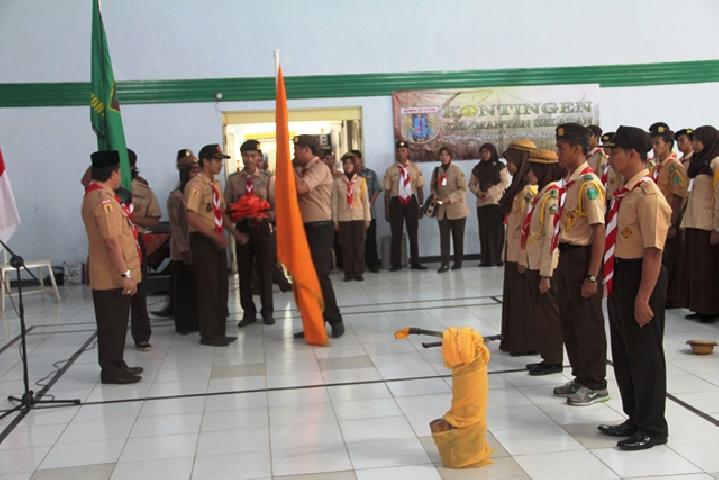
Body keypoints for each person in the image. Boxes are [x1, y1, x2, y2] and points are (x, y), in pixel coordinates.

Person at [597, 126, 671, 450]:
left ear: (633, 154)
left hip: (642, 276)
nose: (610, 157)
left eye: (615, 152)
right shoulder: (625, 191)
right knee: (625, 352)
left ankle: (653, 427)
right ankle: (635, 417)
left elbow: (653, 252)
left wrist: (643, 297)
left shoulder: (648, 195)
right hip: (621, 274)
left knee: (645, 354)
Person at [553, 123, 608, 406]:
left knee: (587, 323)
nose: (558, 153)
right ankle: (580, 376)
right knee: (570, 321)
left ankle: (596, 383)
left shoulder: (589, 183)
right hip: (567, 256)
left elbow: (599, 230)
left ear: (577, 149)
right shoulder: (570, 182)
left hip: (583, 258)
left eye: (561, 148)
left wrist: (592, 276)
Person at [82, 150, 143, 384]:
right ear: (114, 173)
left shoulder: (100, 195)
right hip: (111, 275)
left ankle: (117, 363)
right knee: (111, 324)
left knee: (117, 323)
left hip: (113, 272)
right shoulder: (103, 200)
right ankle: (111, 369)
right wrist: (125, 273)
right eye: (119, 171)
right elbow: (111, 241)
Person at [185, 144, 247, 346]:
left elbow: (220, 213)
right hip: (204, 240)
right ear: (205, 162)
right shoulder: (195, 185)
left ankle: (219, 331)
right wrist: (214, 237)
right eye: (217, 160)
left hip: (217, 238)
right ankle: (209, 334)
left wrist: (234, 233)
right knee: (208, 288)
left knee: (220, 287)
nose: (220, 164)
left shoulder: (216, 185)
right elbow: (191, 217)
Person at [293, 135, 345, 339]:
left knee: (320, 275)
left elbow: (301, 188)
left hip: (320, 228)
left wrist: (288, 170)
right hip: (306, 228)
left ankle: (335, 319)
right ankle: (314, 322)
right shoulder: (305, 170)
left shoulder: (319, 168)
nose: (294, 154)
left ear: (306, 150)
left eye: (296, 150)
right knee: (307, 277)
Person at [519, 148, 565, 376]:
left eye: (532, 170)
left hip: (545, 267)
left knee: (549, 314)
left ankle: (554, 360)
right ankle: (547, 356)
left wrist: (546, 274)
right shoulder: (543, 194)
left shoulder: (552, 196)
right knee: (541, 313)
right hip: (535, 262)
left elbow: (551, 237)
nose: (529, 174)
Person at [225, 139, 276, 326]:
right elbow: (226, 208)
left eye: (253, 155)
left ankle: (267, 311)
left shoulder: (267, 178)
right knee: (244, 272)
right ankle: (248, 312)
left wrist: (264, 214)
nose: (249, 159)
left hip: (262, 228)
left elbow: (275, 206)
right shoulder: (233, 180)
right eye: (246, 155)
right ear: (241, 156)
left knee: (265, 271)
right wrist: (235, 223)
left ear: (259, 157)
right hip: (243, 229)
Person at [497, 139, 539, 356]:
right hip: (512, 252)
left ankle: (526, 343)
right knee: (514, 299)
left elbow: (528, 227)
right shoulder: (517, 186)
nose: (508, 167)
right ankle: (513, 340)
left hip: (522, 255)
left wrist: (524, 257)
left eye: (511, 162)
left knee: (524, 301)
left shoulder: (529, 189)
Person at [678, 125, 719, 321]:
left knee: (707, 269)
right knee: (695, 267)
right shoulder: (697, 163)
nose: (694, 144)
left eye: (697, 140)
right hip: (693, 222)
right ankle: (698, 306)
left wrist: (717, 228)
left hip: (707, 224)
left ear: (708, 140)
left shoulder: (715, 162)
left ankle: (710, 309)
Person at [648, 123, 688, 309]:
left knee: (669, 260)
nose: (654, 147)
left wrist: (673, 223)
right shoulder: (656, 166)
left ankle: (671, 297)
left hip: (668, 221)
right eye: (653, 144)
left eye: (658, 143)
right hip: (655, 219)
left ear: (668, 144)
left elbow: (678, 197)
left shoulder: (674, 167)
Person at [127, 148, 160, 352]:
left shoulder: (142, 189)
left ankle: (141, 335)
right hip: (113, 241)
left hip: (135, 241)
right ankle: (115, 335)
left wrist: (133, 218)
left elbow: (154, 218)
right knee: (116, 292)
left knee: (138, 290)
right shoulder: (104, 188)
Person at [167, 149, 200, 334]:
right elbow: (175, 226)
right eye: (190, 169)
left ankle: (195, 320)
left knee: (195, 287)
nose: (194, 172)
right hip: (181, 251)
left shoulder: (196, 192)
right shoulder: (176, 196)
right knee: (182, 288)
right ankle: (182, 323)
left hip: (196, 246)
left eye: (196, 168)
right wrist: (184, 249)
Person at [384, 140, 426, 271]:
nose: (400, 153)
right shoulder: (390, 170)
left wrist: (420, 206)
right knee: (396, 233)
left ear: (407, 152)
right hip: (396, 202)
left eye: (403, 151)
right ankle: (396, 263)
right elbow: (387, 191)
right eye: (398, 151)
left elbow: (419, 188)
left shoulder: (415, 168)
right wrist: (387, 209)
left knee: (413, 233)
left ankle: (415, 261)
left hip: (411, 201)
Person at [332, 153, 371, 281]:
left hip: (358, 217)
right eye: (345, 163)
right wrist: (335, 220)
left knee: (358, 246)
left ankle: (358, 271)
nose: (348, 166)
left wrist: (367, 218)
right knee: (346, 246)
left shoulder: (361, 181)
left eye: (350, 163)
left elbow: (365, 201)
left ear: (354, 165)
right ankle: (348, 273)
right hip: (343, 218)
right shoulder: (337, 182)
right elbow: (334, 202)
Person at [469, 142, 508, 267]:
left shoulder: (500, 166)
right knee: (484, 231)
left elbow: (504, 183)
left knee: (497, 231)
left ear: (492, 152)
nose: (484, 154)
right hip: (482, 204)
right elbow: (471, 184)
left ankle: (497, 259)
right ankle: (485, 260)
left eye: (487, 152)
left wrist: (489, 192)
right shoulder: (478, 168)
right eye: (482, 152)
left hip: (496, 202)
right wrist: (478, 192)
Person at [431, 146, 468, 272]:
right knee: (444, 239)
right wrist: (434, 194)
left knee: (458, 238)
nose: (444, 157)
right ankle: (445, 264)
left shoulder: (457, 171)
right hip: (442, 210)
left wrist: (450, 198)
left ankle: (458, 262)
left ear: (450, 157)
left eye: (446, 155)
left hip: (457, 210)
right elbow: (433, 187)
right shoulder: (436, 171)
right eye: (441, 155)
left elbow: (463, 190)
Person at [353, 149, 382, 273]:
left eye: (354, 159)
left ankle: (373, 264)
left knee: (370, 238)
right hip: (354, 212)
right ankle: (357, 264)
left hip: (369, 211)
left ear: (360, 159)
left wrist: (370, 204)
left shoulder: (370, 173)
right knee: (356, 239)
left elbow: (377, 189)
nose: (352, 162)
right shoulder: (349, 175)